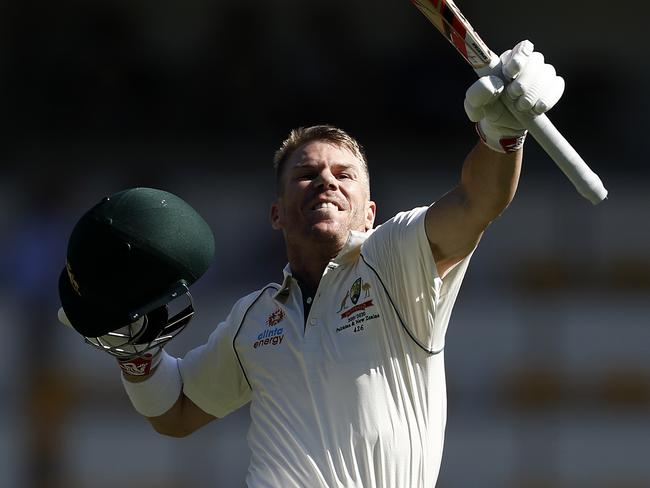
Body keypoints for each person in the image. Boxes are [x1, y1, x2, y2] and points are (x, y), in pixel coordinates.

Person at [59, 40, 565, 487]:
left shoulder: (395, 257)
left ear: (371, 212)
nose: (327, 181)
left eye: (344, 174)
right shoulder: (251, 320)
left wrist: (500, 136)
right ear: (276, 214)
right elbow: (179, 412)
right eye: (306, 173)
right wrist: (138, 357)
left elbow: (478, 202)